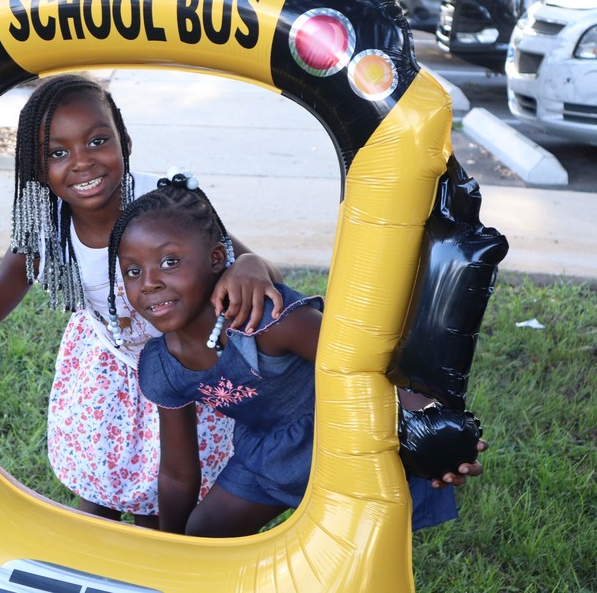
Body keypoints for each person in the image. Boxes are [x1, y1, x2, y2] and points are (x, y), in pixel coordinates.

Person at [0, 73, 287, 528]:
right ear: (37, 167)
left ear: (124, 140)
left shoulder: (167, 203)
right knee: (97, 506)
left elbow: (248, 264)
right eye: (57, 153)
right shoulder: (46, 231)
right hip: (109, 376)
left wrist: (251, 266)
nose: (82, 163)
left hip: (187, 372)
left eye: (97, 141)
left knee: (166, 511)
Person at [107, 171, 487, 537]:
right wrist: (171, 555)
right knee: (206, 531)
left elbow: (371, 370)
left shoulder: (270, 321)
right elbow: (177, 473)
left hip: (349, 438)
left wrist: (435, 431)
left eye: (169, 262)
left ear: (217, 258)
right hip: (270, 454)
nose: (150, 282)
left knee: (349, 556)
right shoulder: (161, 367)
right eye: (132, 271)